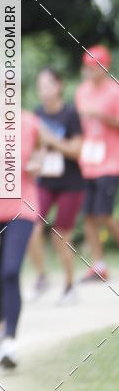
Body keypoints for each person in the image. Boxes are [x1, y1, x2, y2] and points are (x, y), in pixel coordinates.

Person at [0, 110, 41, 368]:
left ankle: (10, 339)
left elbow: (42, 150)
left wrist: (38, 162)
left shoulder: (29, 122)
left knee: (10, 272)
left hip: (22, 208)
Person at [28, 67, 85, 301]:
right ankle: (42, 276)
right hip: (43, 181)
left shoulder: (71, 114)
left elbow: (77, 150)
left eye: (50, 85)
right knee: (30, 226)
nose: (46, 91)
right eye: (41, 87)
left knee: (60, 236)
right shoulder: (36, 115)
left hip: (70, 183)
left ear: (59, 86)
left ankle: (70, 285)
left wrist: (52, 140)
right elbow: (32, 148)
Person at [75, 45, 119, 282]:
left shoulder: (114, 91)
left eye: (96, 67)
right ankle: (98, 265)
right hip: (88, 161)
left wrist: (103, 117)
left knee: (104, 214)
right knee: (89, 215)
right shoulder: (81, 92)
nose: (92, 72)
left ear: (105, 67)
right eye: (88, 67)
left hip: (110, 162)